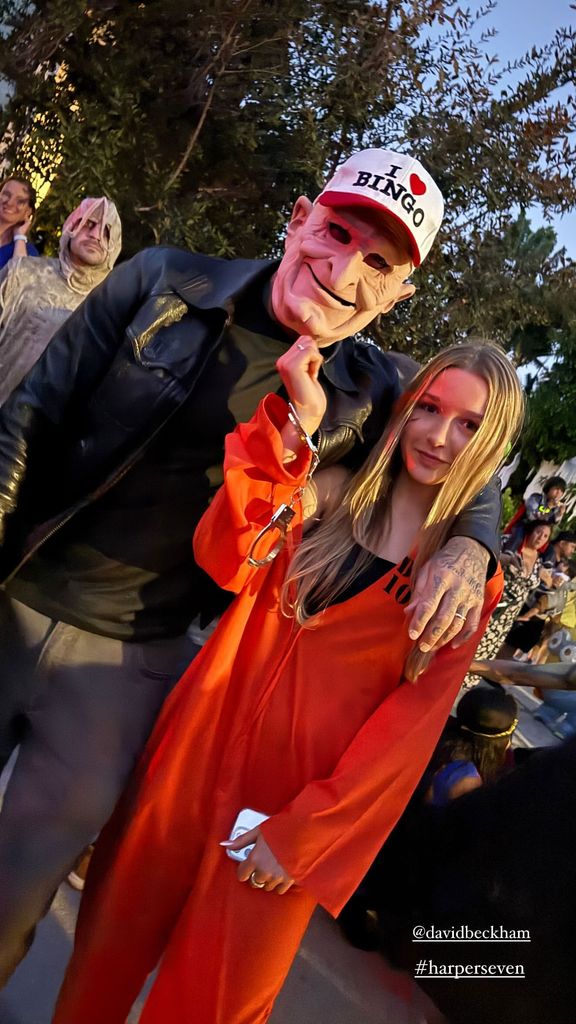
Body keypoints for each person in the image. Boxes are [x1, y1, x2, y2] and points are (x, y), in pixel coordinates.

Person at [0, 147, 501, 982]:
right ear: (301, 215)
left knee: (13, 903)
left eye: (378, 263)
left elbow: (461, 436)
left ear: (397, 295)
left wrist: (473, 539)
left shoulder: (374, 393)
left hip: (130, 668)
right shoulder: (164, 279)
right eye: (336, 231)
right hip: (15, 592)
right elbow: (28, 421)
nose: (344, 268)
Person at [52, 339, 524, 1024]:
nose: (438, 436)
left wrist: (306, 838)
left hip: (288, 820)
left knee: (214, 1006)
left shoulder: (461, 582)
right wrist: (297, 426)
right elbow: (224, 554)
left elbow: (408, 734)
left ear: (493, 447)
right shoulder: (332, 491)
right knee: (99, 964)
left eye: (469, 425)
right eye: (427, 407)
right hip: (190, 763)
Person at [0, 196, 122, 405]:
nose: (95, 236)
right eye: (88, 225)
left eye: (106, 231)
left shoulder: (110, 311)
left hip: (34, 432)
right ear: (71, 227)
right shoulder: (24, 272)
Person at [504, 475, 567, 549]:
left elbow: (554, 522)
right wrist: (548, 507)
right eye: (556, 489)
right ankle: (509, 551)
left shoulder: (556, 506)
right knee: (519, 534)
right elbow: (531, 516)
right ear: (549, 488)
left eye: (561, 491)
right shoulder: (536, 498)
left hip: (542, 532)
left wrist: (560, 513)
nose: (558, 493)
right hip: (527, 525)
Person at [0, 178, 39, 268]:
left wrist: (19, 237)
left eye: (20, 201)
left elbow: (19, 279)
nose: (10, 203)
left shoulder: (29, 252)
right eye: (6, 194)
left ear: (28, 211)